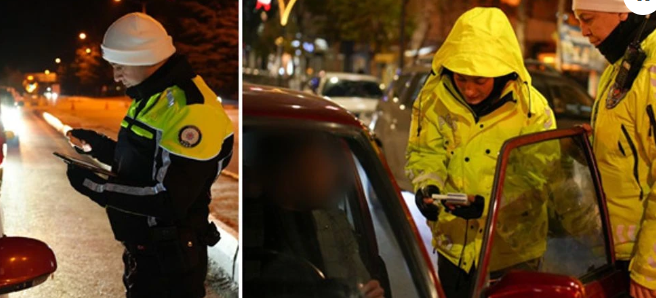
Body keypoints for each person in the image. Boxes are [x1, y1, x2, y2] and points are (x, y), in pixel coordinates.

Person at [64, 13, 234, 298]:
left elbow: (167, 199)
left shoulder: (191, 110)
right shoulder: (152, 95)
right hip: (148, 254)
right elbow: (145, 160)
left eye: (118, 66)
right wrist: (97, 146)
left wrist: (94, 186)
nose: (115, 76)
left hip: (170, 265)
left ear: (144, 57)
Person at [405, 7, 557, 298]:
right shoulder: (432, 99)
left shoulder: (533, 111)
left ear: (501, 72)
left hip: (512, 252)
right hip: (455, 250)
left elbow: (539, 178)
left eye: (479, 81)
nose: (470, 90)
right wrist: (427, 187)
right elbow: (423, 153)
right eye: (462, 79)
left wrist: (488, 205)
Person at [571, 1, 656, 296]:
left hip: (641, 262)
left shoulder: (651, 66)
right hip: (617, 250)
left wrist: (649, 270)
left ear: (623, 10)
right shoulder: (625, 61)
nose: (582, 31)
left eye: (588, 18)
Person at [244, 132, 387, 298]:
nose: (335, 172)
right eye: (323, 161)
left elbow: (359, 279)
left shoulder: (333, 220)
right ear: (294, 167)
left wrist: (368, 292)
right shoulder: (252, 220)